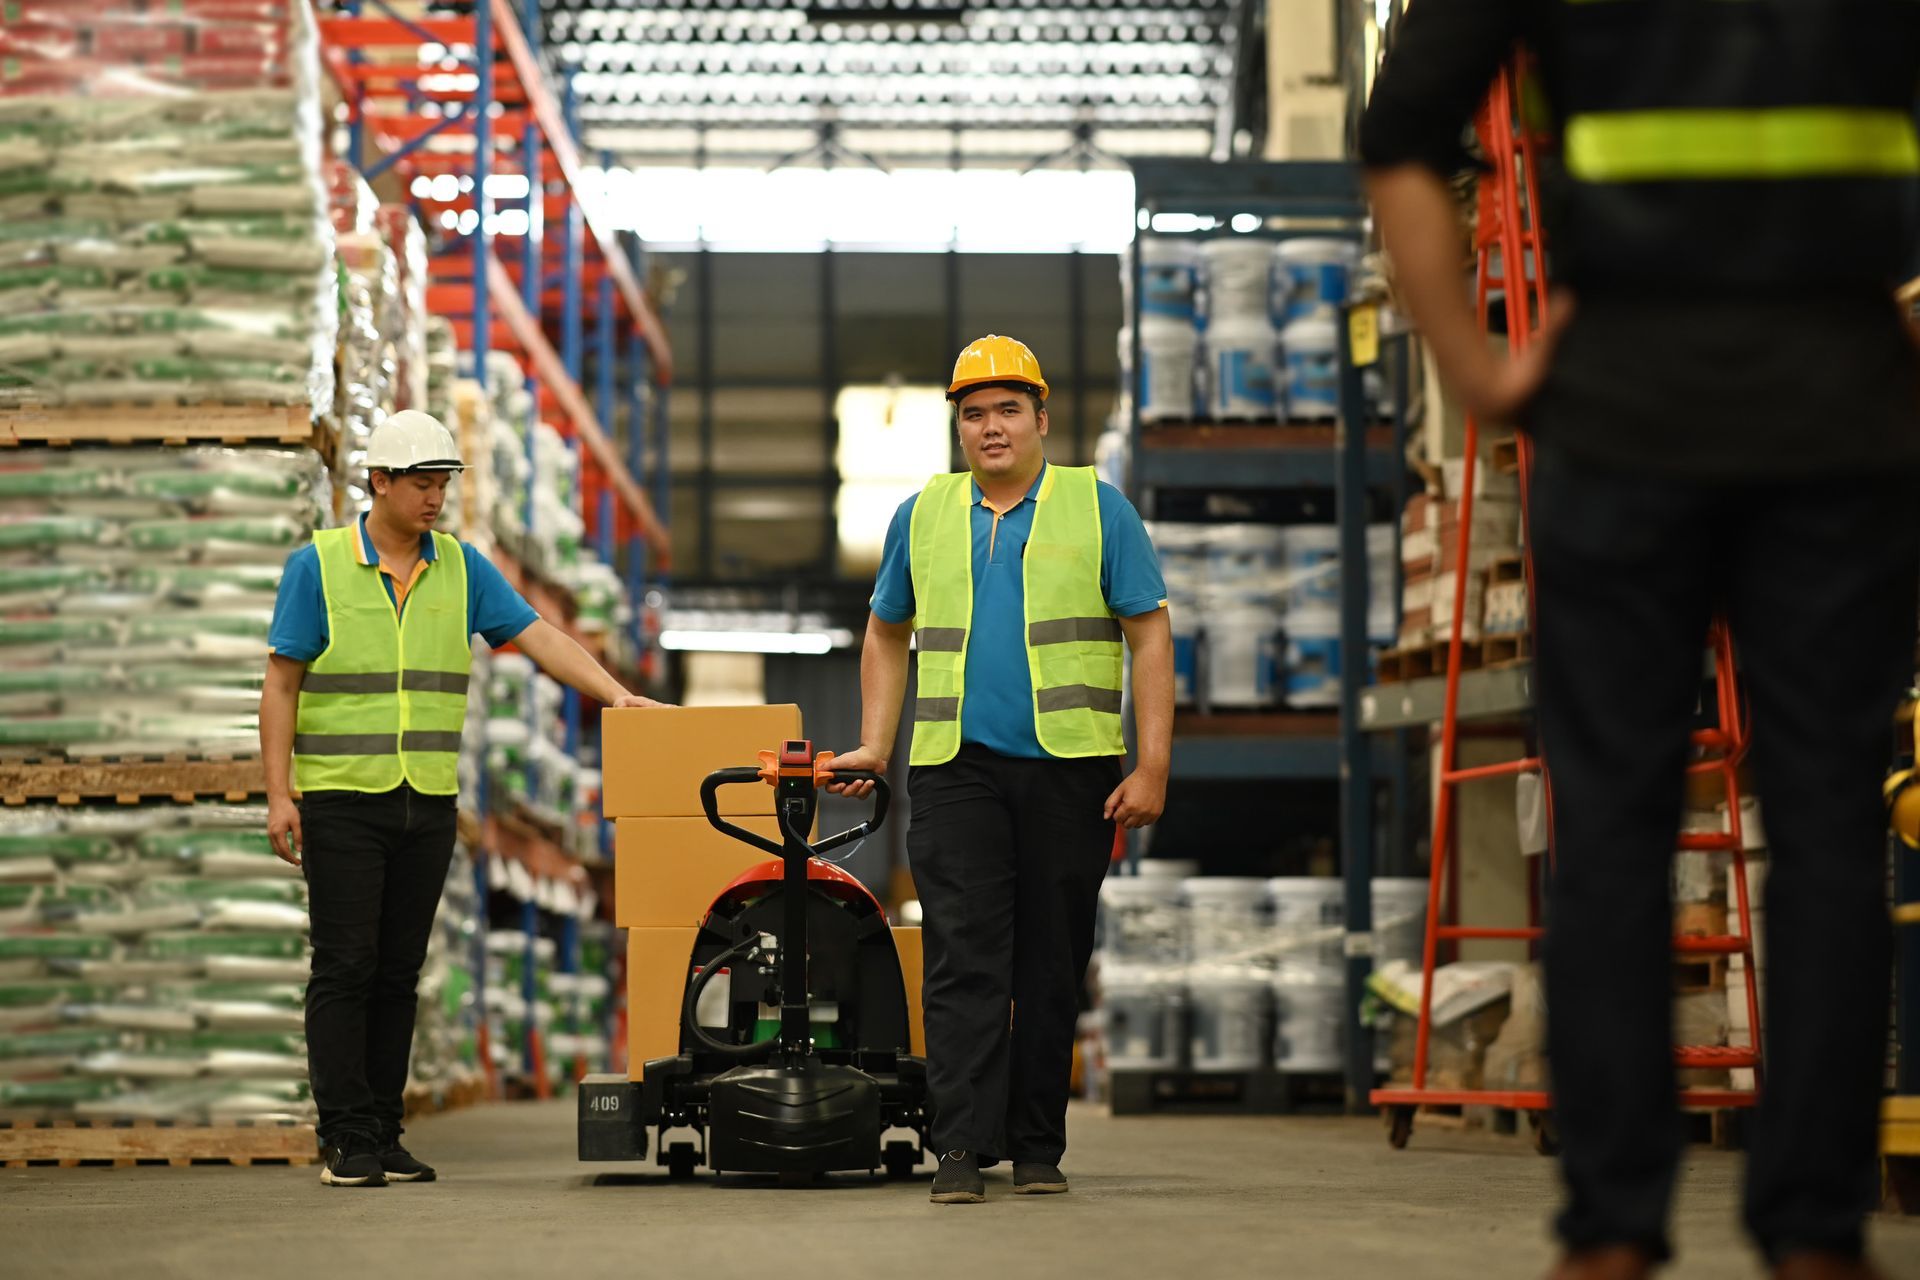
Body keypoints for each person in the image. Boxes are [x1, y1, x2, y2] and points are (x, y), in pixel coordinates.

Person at [1360, 7, 1920, 1278]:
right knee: (1829, 832)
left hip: (1622, 416)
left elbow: (1400, 132)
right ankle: (1817, 1235)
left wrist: (1478, 370)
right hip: (1836, 415)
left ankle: (1611, 1231)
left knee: (1611, 830)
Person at [260, 409, 663, 1188]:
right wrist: (280, 793)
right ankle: (345, 1137)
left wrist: (614, 694)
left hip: (426, 803)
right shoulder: (319, 567)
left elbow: (538, 635)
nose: (435, 498)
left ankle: (382, 1128)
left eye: (443, 483)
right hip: (344, 799)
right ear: (378, 482)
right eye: (421, 484)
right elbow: (282, 685)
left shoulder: (462, 568)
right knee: (345, 966)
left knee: (398, 972)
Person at [828, 335, 1174, 1204]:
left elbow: (1150, 635)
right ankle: (959, 1147)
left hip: (1072, 770)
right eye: (974, 413)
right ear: (958, 427)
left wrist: (1154, 765)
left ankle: (1036, 1146)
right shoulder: (924, 513)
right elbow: (885, 629)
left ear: (1041, 420)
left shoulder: (1101, 508)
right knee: (963, 959)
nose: (991, 428)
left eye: (1007, 410)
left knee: (1051, 962)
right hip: (952, 769)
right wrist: (876, 742)